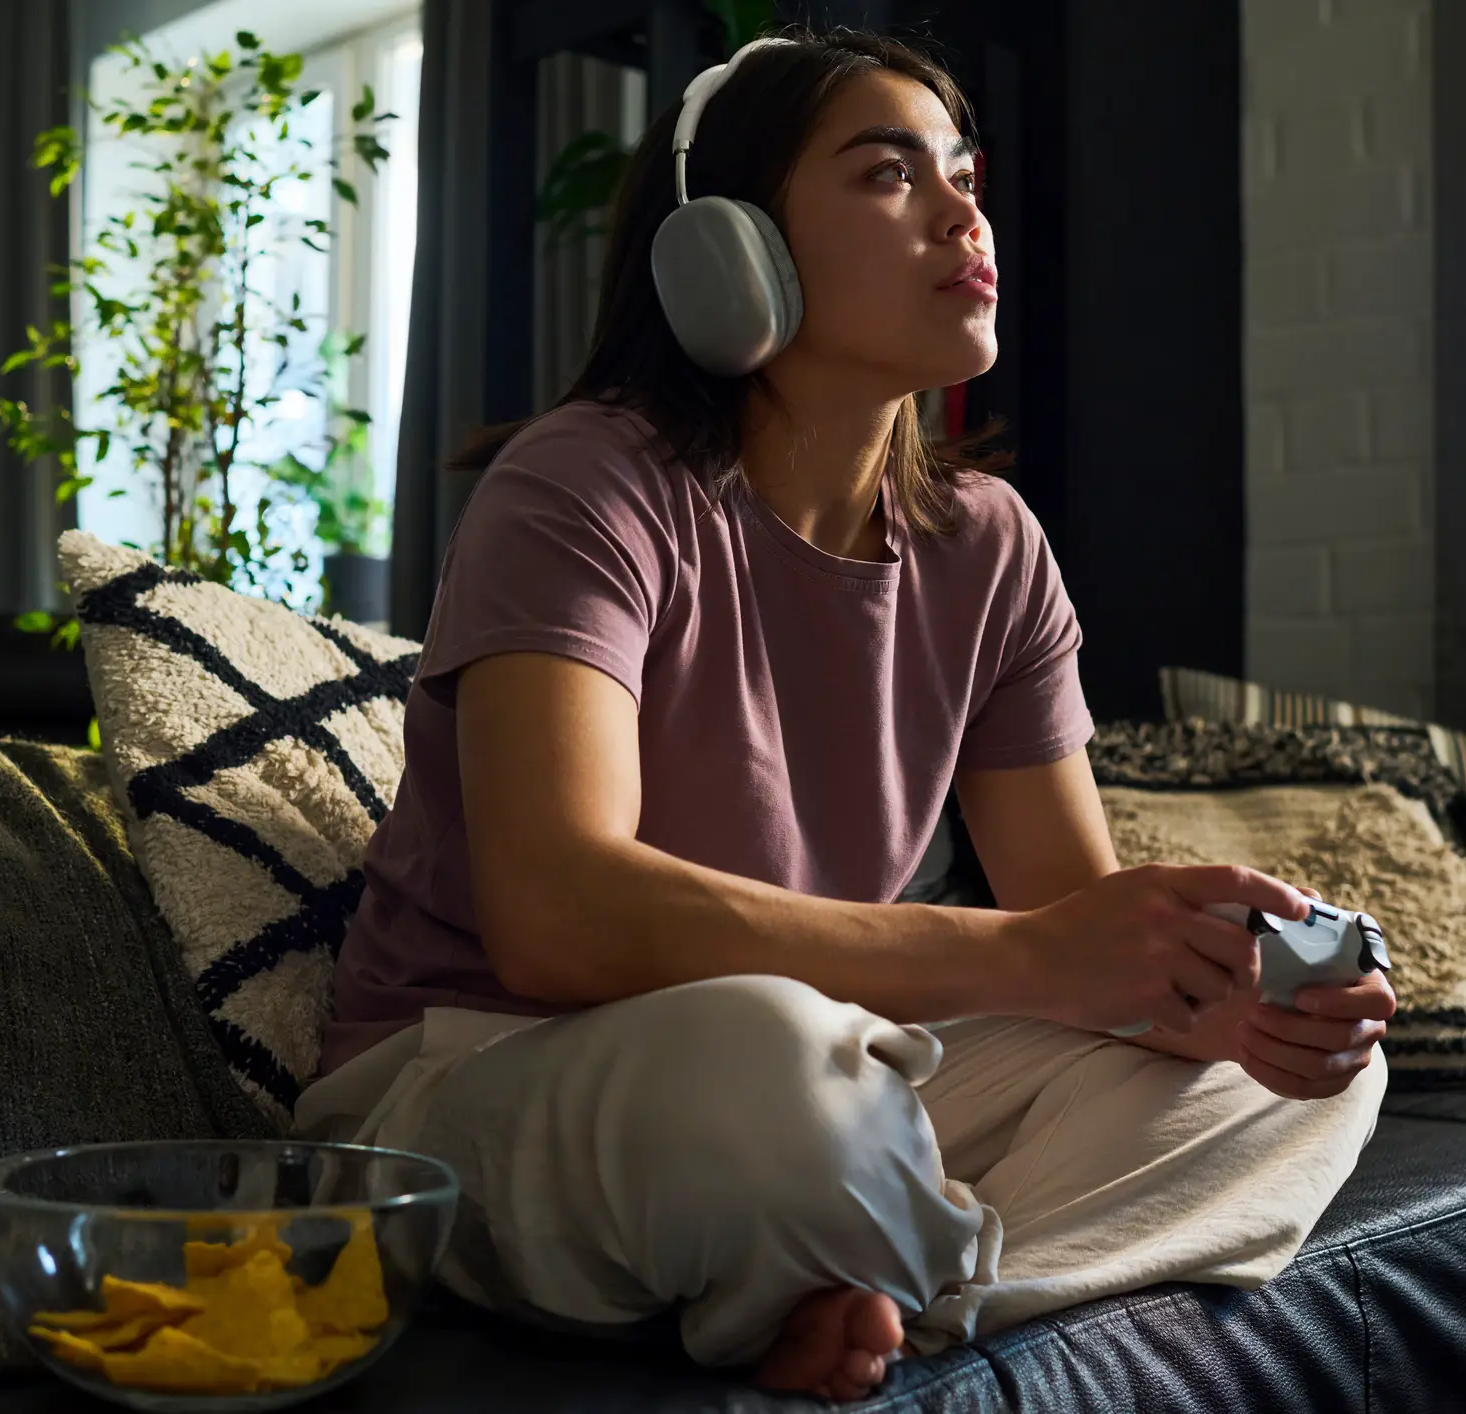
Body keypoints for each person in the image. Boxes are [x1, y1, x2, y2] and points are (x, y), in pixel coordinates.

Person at [300, 28, 1392, 1402]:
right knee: (774, 1060)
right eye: (889, 175)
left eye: (966, 175)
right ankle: (876, 1234)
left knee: (1306, 1082)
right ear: (727, 250)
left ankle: (910, 1288)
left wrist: (1231, 996)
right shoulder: (583, 483)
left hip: (834, 1061)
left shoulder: (989, 545)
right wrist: (1035, 958)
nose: (962, 213)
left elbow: (1078, 936)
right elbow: (557, 915)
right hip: (483, 1067)